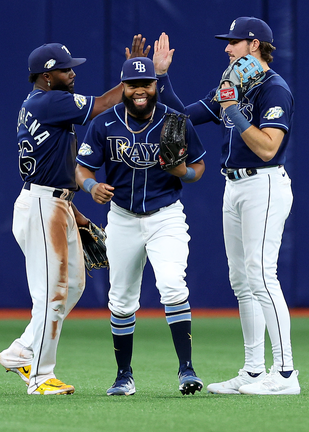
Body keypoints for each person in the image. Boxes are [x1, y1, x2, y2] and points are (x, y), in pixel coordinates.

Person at [151, 17, 300, 395]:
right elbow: (183, 116)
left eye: (233, 42)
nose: (226, 48)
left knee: (262, 274)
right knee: (242, 280)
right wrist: (162, 77)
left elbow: (268, 147)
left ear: (253, 45)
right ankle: (252, 371)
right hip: (233, 185)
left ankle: (285, 374)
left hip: (264, 182)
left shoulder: (273, 88)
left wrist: (232, 110)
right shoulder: (233, 85)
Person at [0, 42, 124, 395]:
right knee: (53, 293)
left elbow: (56, 165)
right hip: (41, 206)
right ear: (48, 76)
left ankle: (22, 349)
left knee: (73, 286)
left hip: (56, 203)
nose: (73, 73)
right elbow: (102, 105)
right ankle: (39, 376)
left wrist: (75, 211)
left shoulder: (39, 103)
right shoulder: (49, 101)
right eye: (67, 69)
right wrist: (134, 76)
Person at [75, 57, 207, 396]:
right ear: (123, 87)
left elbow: (198, 168)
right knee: (120, 300)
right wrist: (92, 187)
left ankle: (187, 370)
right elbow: (83, 169)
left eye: (146, 84)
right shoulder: (105, 124)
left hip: (166, 216)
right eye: (132, 85)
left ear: (154, 86)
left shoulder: (174, 121)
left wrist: (183, 173)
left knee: (173, 286)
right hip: (122, 218)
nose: (139, 91)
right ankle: (123, 376)